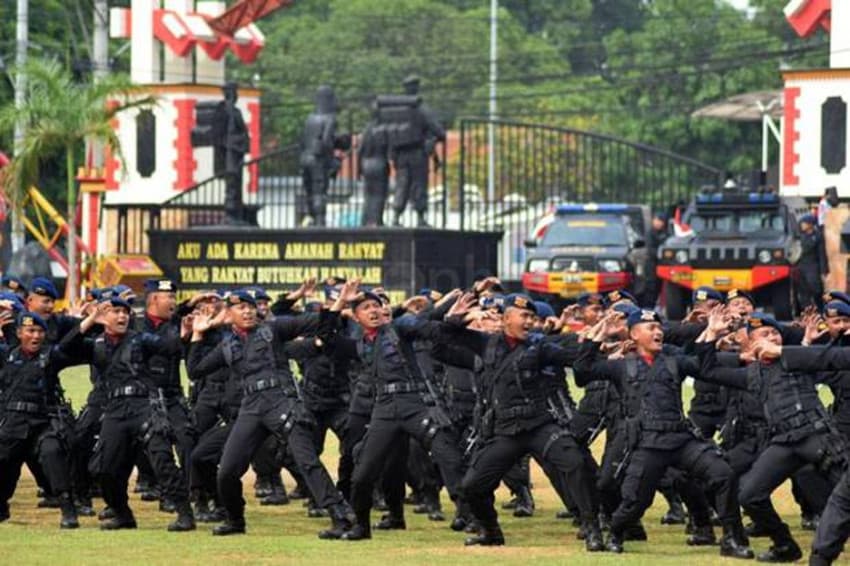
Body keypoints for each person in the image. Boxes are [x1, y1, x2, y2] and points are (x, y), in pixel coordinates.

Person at [574, 308, 753, 558]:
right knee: (636, 501)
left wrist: (711, 333)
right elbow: (582, 373)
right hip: (648, 443)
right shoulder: (621, 366)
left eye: (659, 328)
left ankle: (732, 538)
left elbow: (704, 367)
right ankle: (616, 532)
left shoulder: (674, 361)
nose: (658, 332)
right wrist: (598, 336)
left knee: (723, 473)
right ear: (634, 335)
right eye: (650, 328)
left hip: (681, 439)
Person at [187, 289, 354, 537]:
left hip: (281, 401)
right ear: (228, 314)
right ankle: (235, 520)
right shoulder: (227, 345)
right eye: (240, 308)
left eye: (250, 307)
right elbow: (195, 370)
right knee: (228, 470)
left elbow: (319, 323)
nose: (247, 311)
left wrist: (339, 303)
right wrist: (197, 334)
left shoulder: (273, 329)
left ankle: (341, 517)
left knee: (306, 460)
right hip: (251, 407)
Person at [61, 296, 196, 531]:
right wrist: (90, 319)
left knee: (162, 461)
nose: (122, 316)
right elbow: (65, 347)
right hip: (114, 410)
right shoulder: (96, 344)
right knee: (104, 468)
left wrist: (184, 333)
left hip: (144, 406)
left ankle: (185, 513)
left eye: (125, 312)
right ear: (104, 316)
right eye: (115, 312)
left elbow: (169, 347)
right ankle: (123, 514)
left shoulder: (140, 339)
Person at [0, 312, 80, 528]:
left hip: (43, 422)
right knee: (5, 460)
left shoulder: (51, 356)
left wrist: (88, 321)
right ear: (19, 333)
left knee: (52, 452)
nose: (35, 336)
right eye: (30, 331)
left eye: (39, 331)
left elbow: (70, 344)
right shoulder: (7, 355)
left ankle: (68, 509)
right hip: (13, 422)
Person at [389, 76, 446, 228]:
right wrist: (434, 139)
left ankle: (396, 216)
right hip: (417, 154)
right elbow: (439, 132)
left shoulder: (396, 111)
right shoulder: (422, 110)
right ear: (416, 88)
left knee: (402, 184)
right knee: (419, 185)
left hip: (400, 156)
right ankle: (420, 217)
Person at [300, 85, 338, 227]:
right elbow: (327, 142)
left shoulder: (309, 119)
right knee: (319, 191)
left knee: (309, 191)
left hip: (305, 157)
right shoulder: (330, 119)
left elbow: (302, 140)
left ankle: (311, 217)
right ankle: (320, 220)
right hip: (318, 160)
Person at [212, 82, 249, 225]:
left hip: (237, 151)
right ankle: (231, 213)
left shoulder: (236, 112)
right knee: (232, 182)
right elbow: (219, 134)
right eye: (234, 92)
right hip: (229, 152)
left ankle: (237, 213)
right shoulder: (223, 111)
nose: (236, 95)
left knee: (236, 183)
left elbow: (243, 131)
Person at [358, 108, 390, 227]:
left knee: (368, 194)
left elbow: (360, 150)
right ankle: (376, 220)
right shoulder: (383, 130)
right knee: (379, 194)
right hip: (379, 162)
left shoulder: (366, 130)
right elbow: (388, 148)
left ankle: (365, 220)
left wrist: (359, 169)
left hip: (366, 163)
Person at [797, 214, 828, 310]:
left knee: (817, 290)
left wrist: (823, 272)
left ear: (810, 224)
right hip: (801, 266)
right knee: (803, 292)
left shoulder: (818, 236)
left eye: (804, 223)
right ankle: (807, 311)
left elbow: (822, 255)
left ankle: (821, 309)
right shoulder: (800, 236)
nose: (802, 225)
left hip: (813, 267)